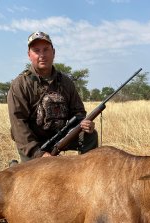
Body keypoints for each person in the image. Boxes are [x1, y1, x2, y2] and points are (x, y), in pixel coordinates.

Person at [7, 31, 98, 163]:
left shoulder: (66, 82)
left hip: (61, 137)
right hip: (33, 143)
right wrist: (38, 153)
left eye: (46, 50)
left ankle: (87, 171)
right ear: (29, 55)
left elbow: (79, 113)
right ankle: (16, 167)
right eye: (36, 50)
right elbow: (18, 125)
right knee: (32, 181)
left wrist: (84, 123)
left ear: (53, 52)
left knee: (90, 135)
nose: (42, 55)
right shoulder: (20, 84)